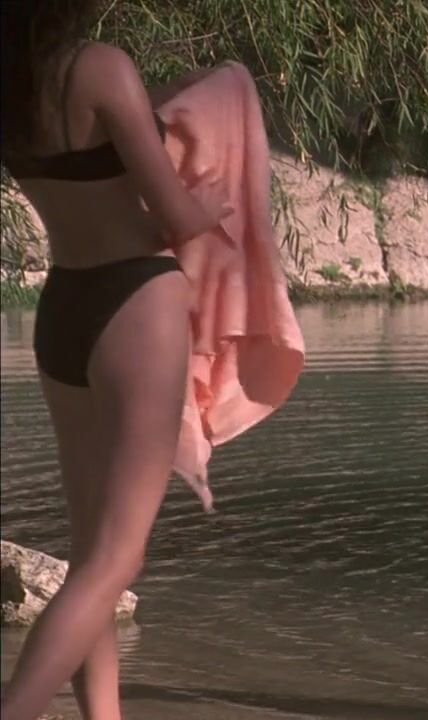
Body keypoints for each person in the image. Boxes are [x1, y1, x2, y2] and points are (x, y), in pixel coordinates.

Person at [0, 3, 229, 718]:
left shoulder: (16, 87)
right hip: (135, 303)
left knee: (89, 558)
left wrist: (159, 102)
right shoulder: (100, 67)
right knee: (115, 559)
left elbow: (88, 144)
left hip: (65, 309)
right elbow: (177, 218)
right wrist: (218, 203)